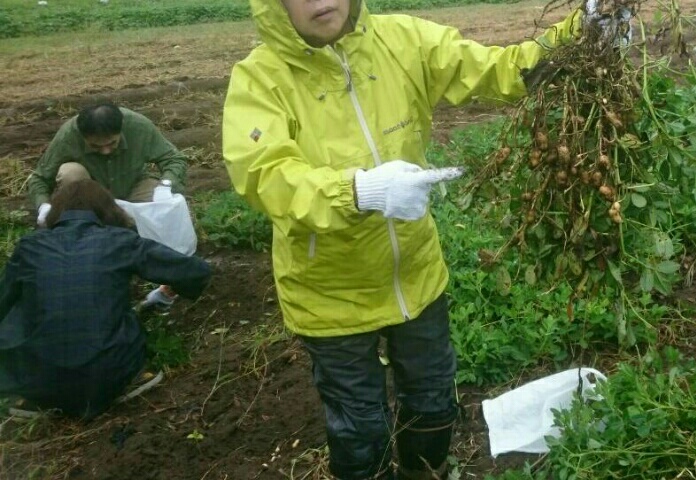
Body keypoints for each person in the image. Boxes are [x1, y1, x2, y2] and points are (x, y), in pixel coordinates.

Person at [220, 1, 630, 479]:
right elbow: (264, 174)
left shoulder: (402, 42)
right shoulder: (260, 80)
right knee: (361, 429)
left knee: (433, 403)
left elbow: (499, 69)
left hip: (416, 275)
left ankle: (424, 473)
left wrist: (584, 30)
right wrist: (360, 191)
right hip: (328, 293)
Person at [0, 179, 211, 420]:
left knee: (18, 308)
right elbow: (197, 271)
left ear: (56, 212)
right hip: (109, 374)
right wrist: (170, 290)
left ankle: (35, 397)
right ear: (109, 210)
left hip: (39, 382)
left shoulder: (30, 246)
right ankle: (127, 382)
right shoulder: (119, 240)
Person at [27, 102, 191, 310]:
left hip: (132, 185)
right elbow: (40, 178)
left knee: (162, 207)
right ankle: (84, 249)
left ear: (121, 129)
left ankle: (166, 274)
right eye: (96, 147)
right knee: (70, 173)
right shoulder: (69, 135)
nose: (105, 151)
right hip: (91, 196)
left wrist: (166, 185)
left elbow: (174, 158)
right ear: (83, 136)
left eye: (112, 143)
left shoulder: (138, 126)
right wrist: (43, 207)